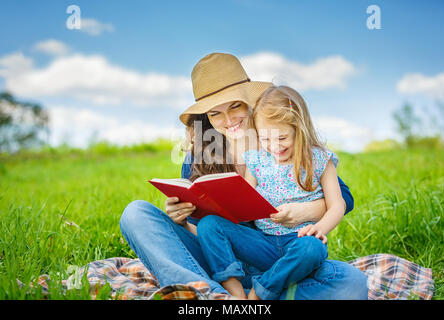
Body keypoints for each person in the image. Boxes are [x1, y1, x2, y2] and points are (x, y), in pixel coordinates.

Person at [119, 52, 368, 299]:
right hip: (220, 263)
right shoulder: (200, 155)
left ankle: (235, 295)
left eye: (235, 106)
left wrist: (306, 212)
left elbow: (343, 198)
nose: (228, 120)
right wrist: (181, 221)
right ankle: (219, 296)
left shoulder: (278, 137)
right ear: (205, 116)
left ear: (250, 100)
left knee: (352, 284)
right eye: (215, 113)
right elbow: (204, 232)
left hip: (282, 260)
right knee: (135, 214)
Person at [197, 85, 349, 300]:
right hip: (262, 242)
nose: (275, 147)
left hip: (298, 242)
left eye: (282, 138)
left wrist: (319, 229)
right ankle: (235, 293)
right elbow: (245, 200)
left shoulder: (320, 160)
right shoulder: (257, 159)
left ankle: (260, 293)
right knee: (209, 225)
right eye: (266, 139)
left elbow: (338, 204)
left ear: (300, 128)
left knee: (312, 249)